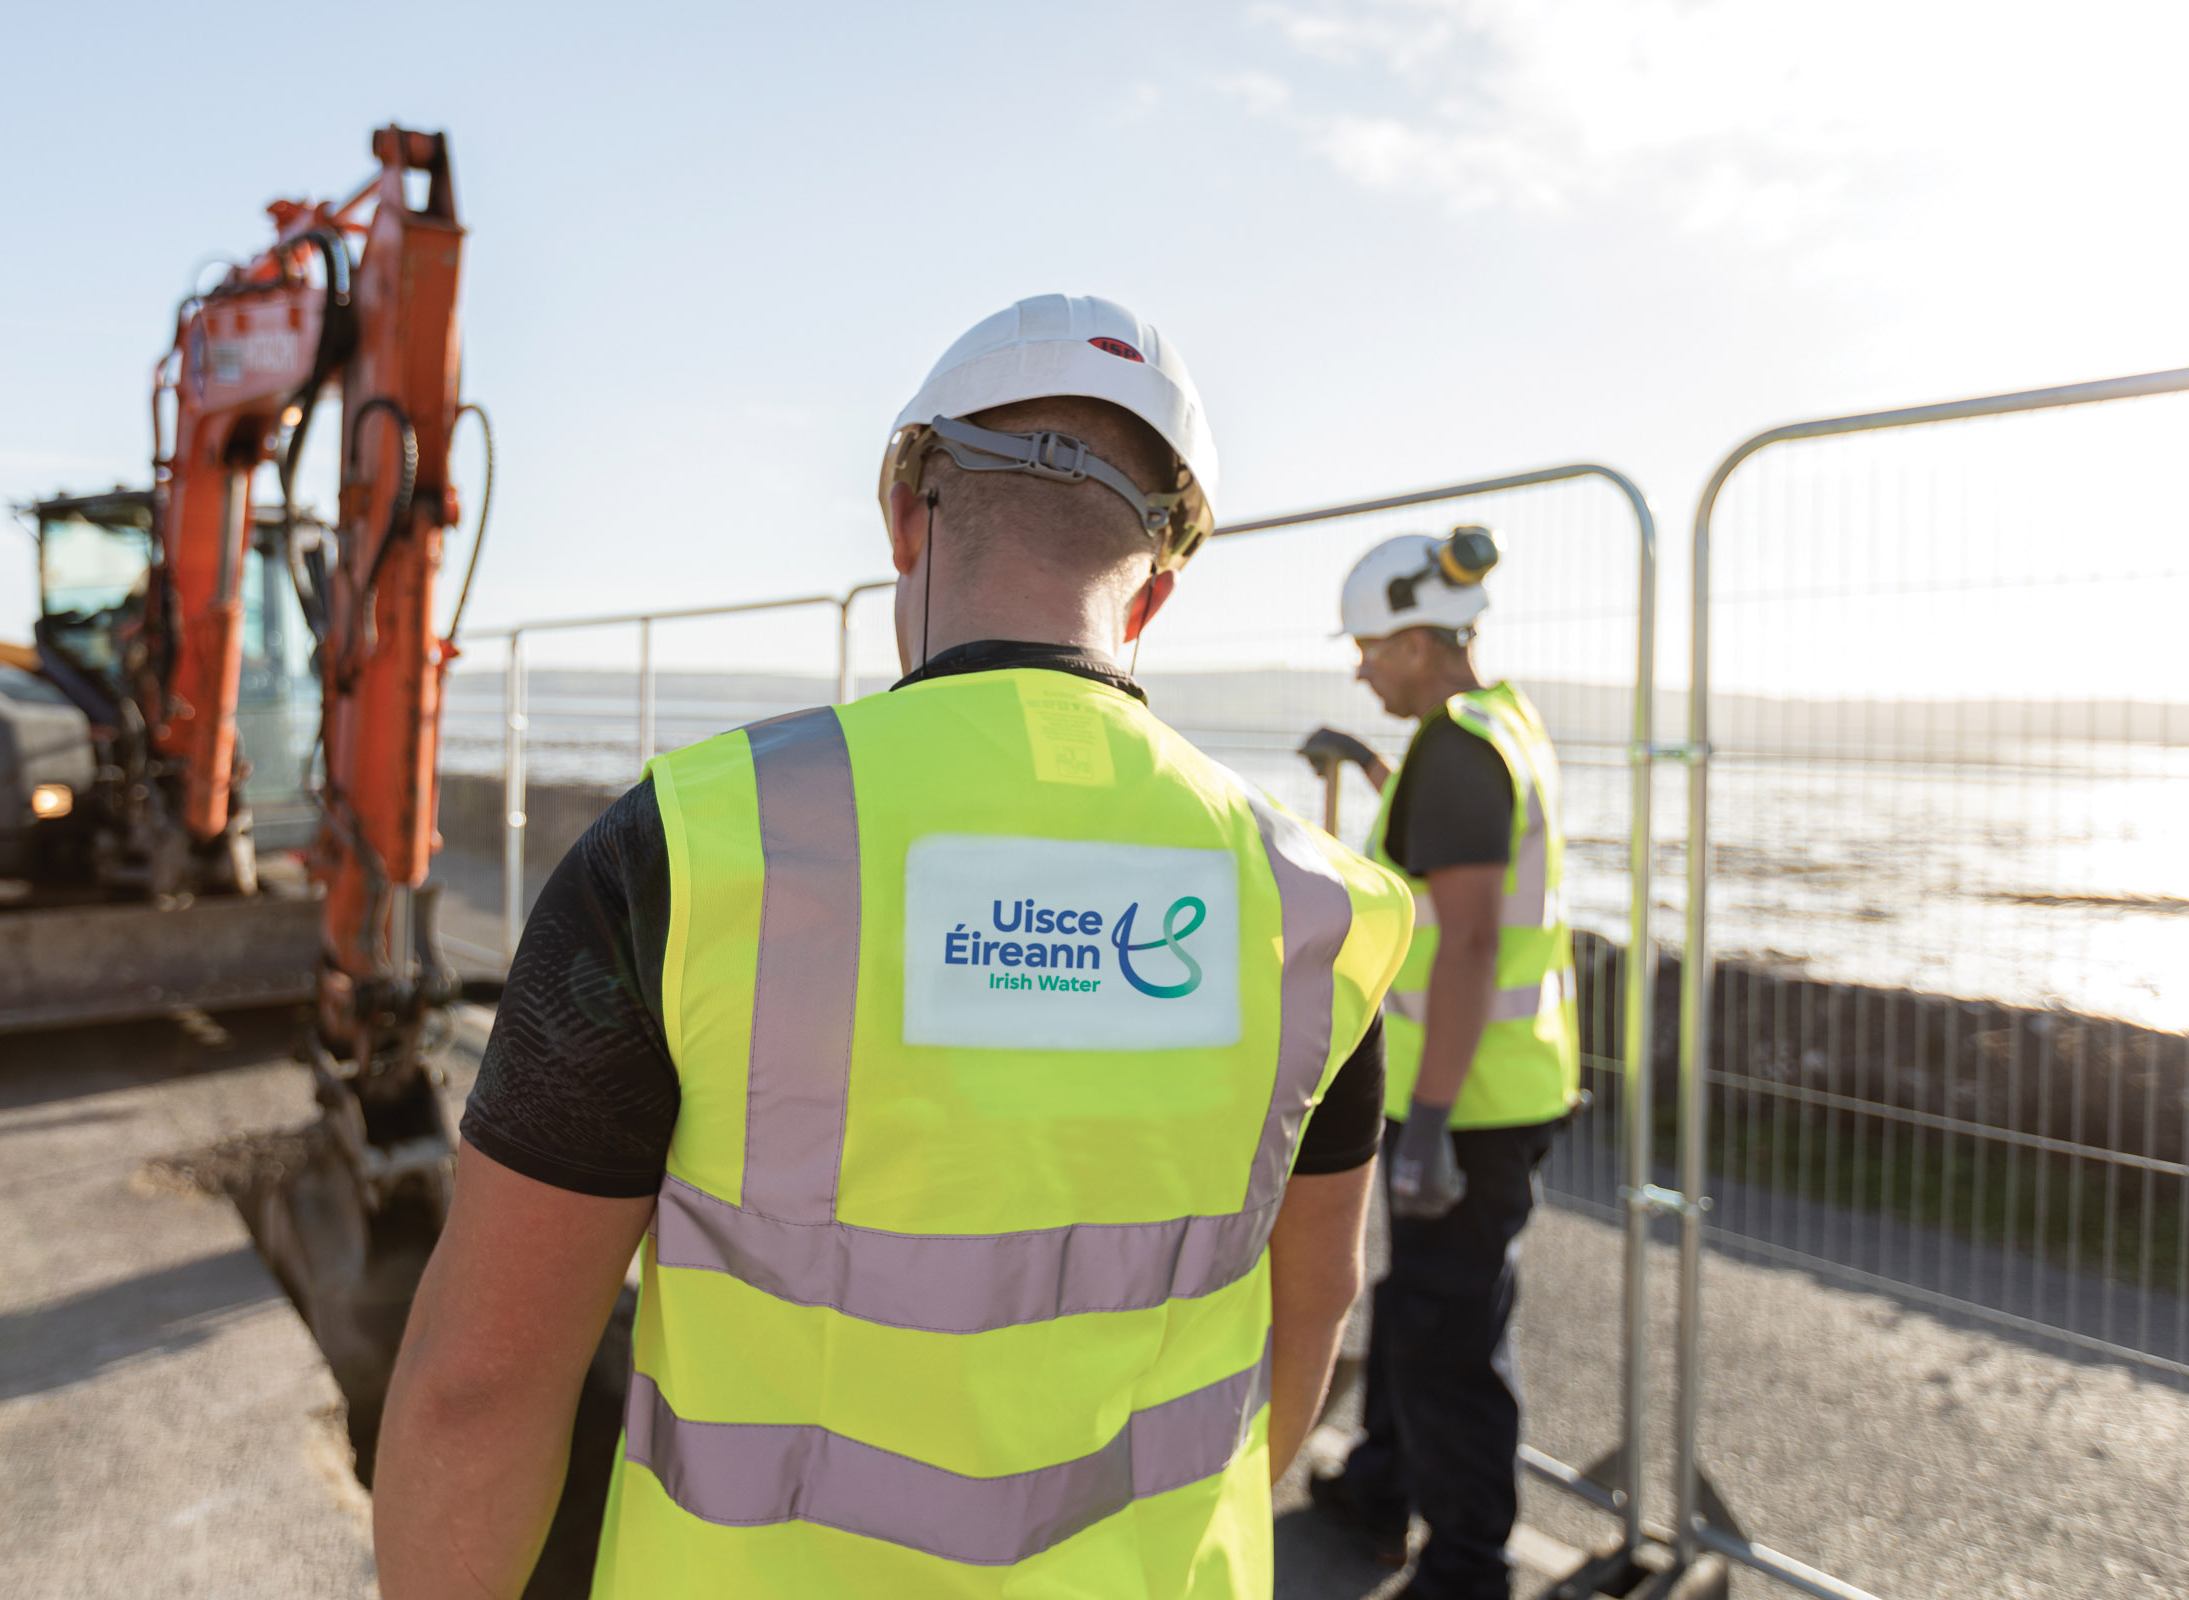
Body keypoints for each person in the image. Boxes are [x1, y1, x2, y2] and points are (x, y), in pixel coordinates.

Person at [372, 294, 1416, 1598]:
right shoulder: (1323, 914)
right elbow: (1308, 1323)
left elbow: (479, 1392)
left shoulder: (696, 853)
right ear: (1155, 586)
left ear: (906, 512)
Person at [1297, 528, 1579, 1600]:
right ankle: (1379, 1484)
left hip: (1463, 1101)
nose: (1360, 663)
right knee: (1422, 1305)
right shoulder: (1486, 730)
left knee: (1448, 1336)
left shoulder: (1458, 752)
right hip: (1502, 1083)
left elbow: (1463, 941)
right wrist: (1368, 767)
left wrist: (1423, 1123)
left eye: (1370, 644)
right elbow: (1446, 847)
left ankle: (1467, 1566)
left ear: (1420, 639)